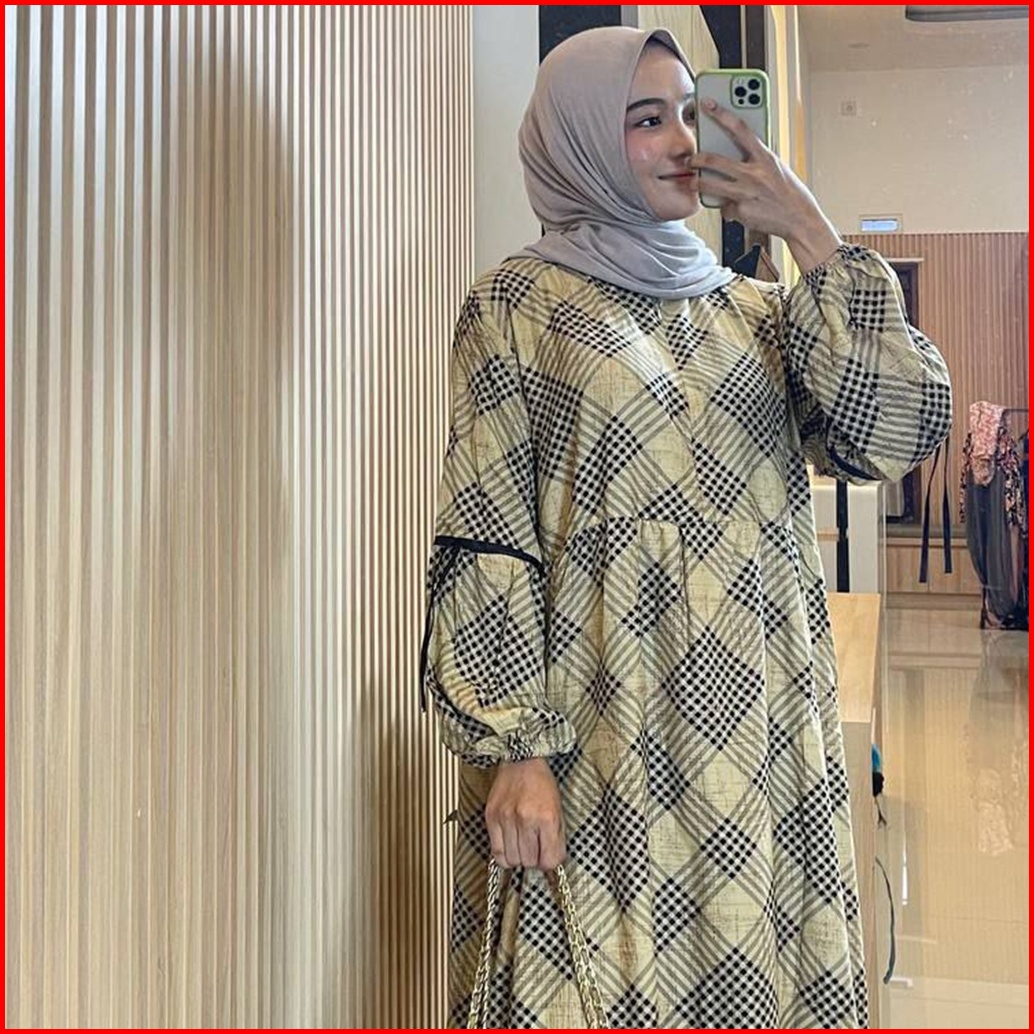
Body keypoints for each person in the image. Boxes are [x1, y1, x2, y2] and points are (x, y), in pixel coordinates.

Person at [420, 25, 951, 1030]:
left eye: (689, 114)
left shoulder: (760, 313)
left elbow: (896, 433)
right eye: (643, 119)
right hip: (601, 733)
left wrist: (811, 235)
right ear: (578, 138)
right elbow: (488, 534)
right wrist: (514, 747)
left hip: (761, 734)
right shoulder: (518, 305)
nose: (679, 140)